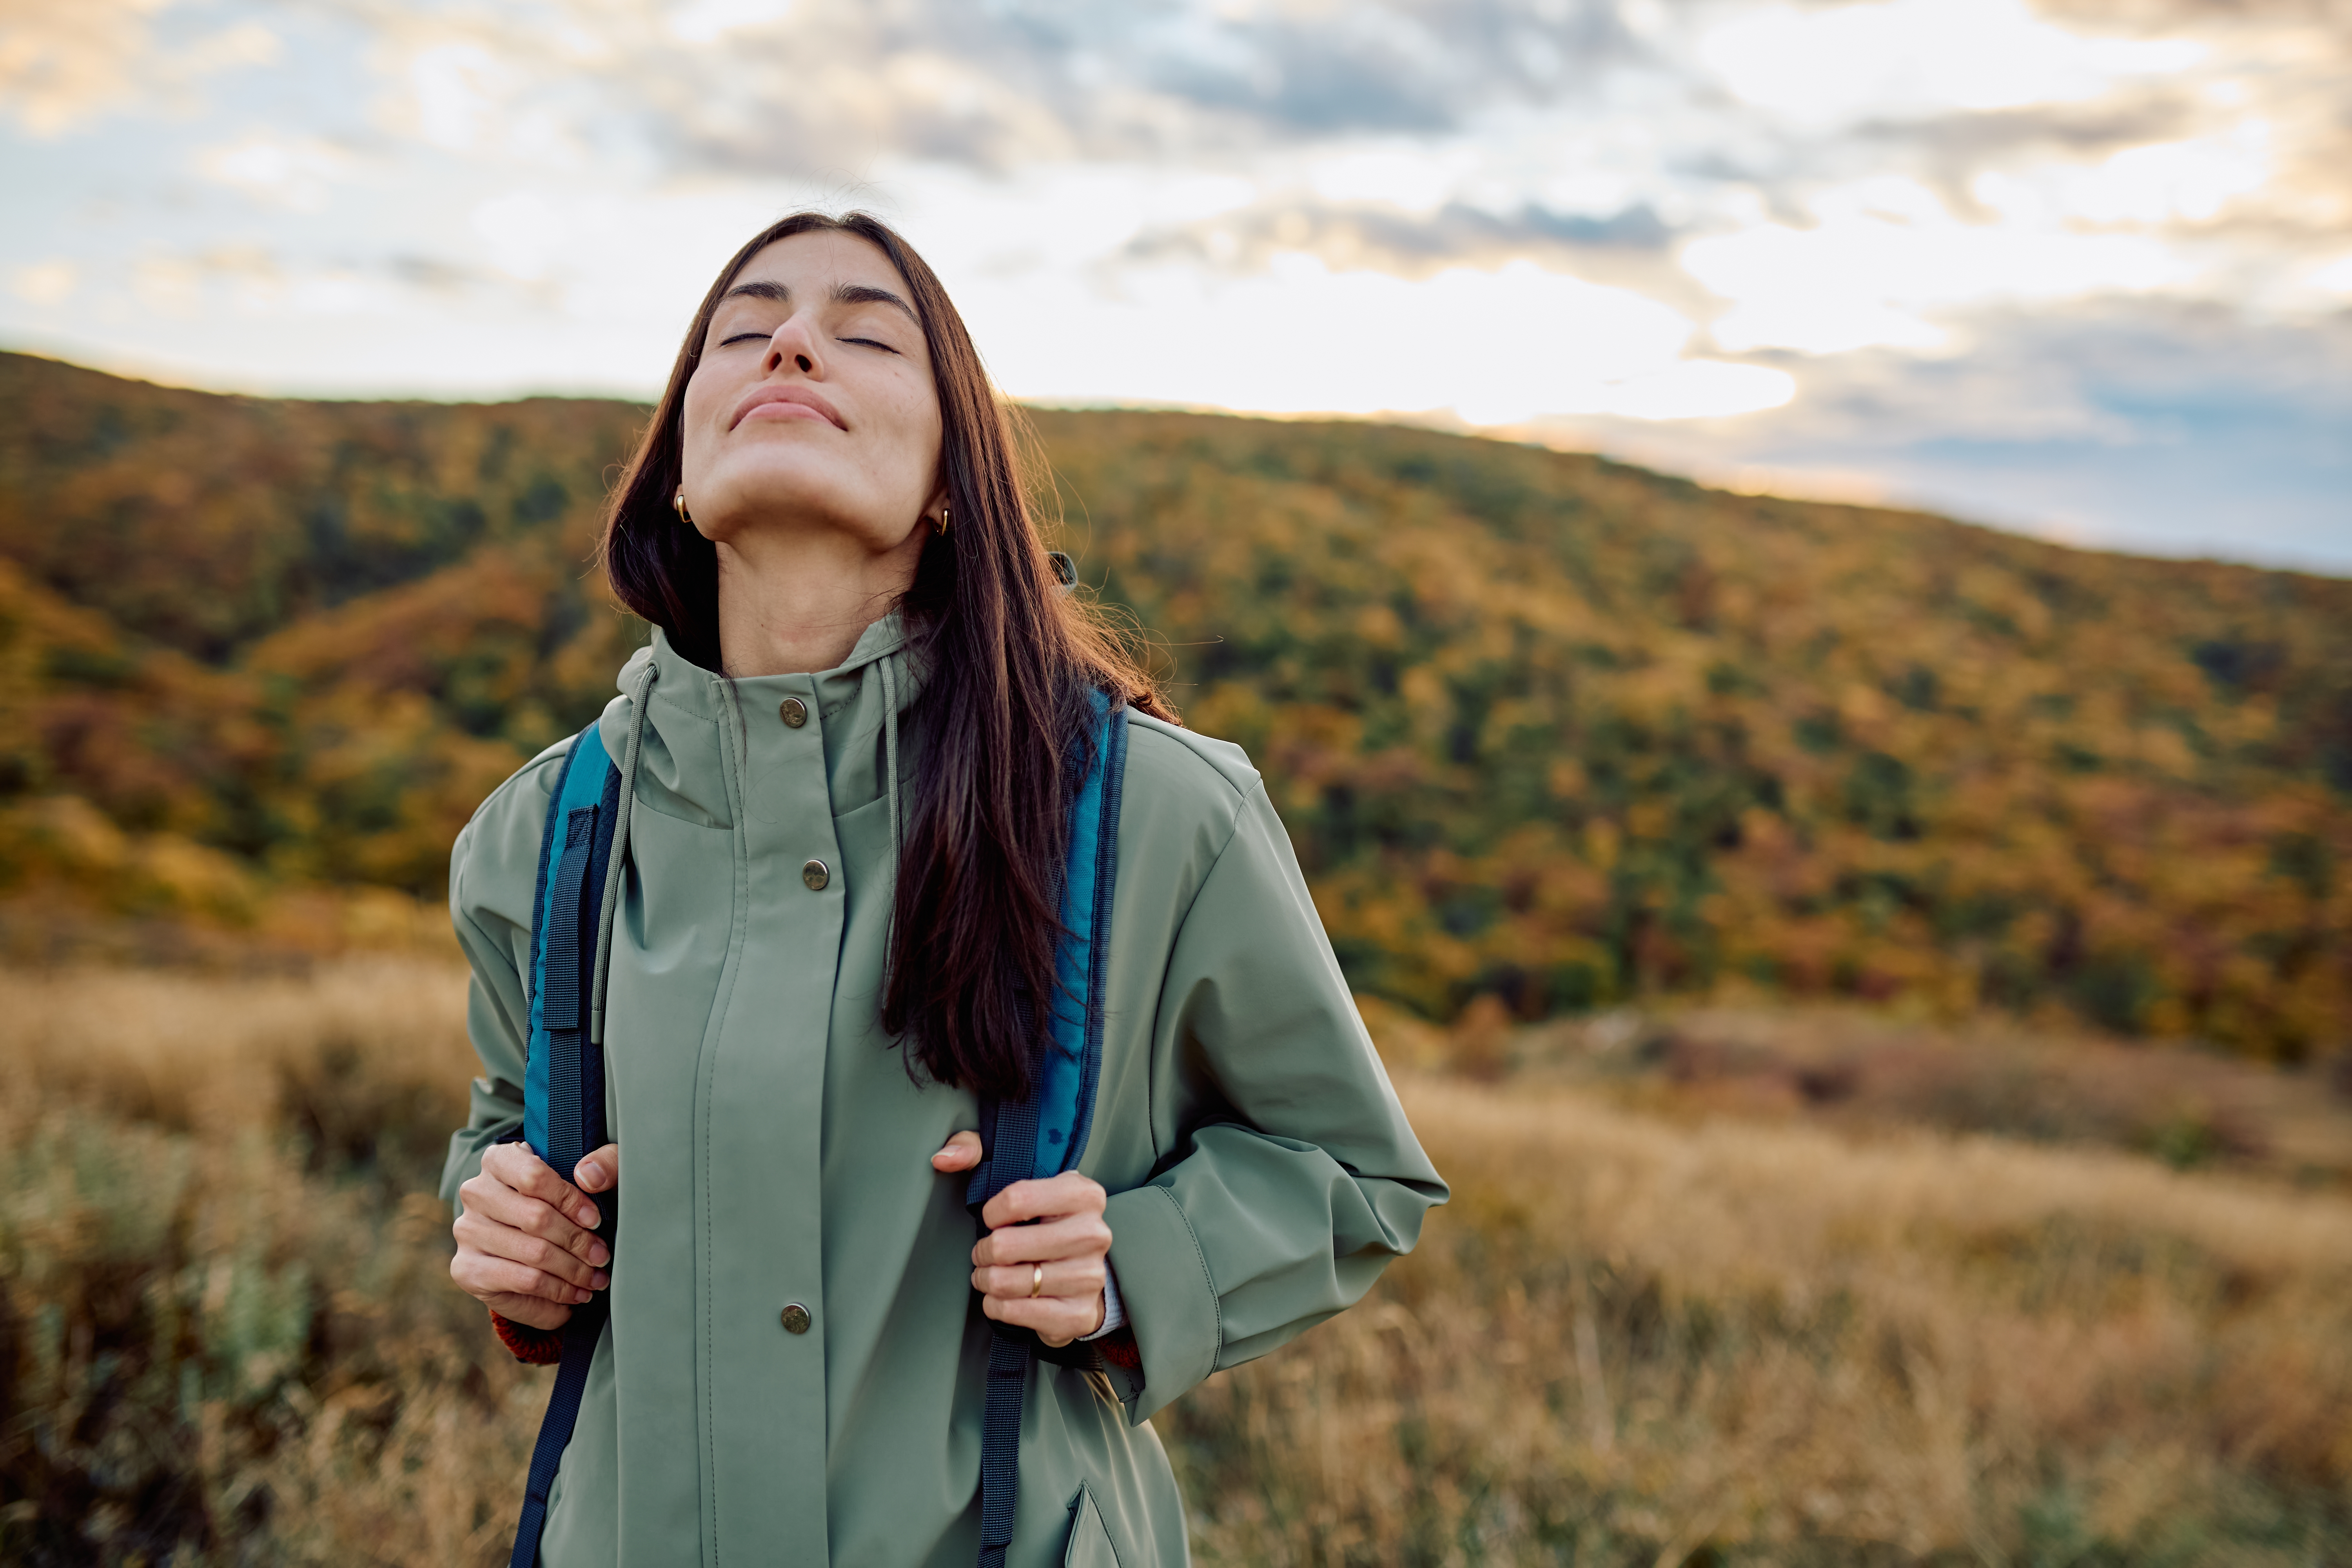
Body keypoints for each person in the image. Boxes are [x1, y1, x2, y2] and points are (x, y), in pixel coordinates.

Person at [439, 210, 1446, 1568]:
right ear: (679, 467)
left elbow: (1352, 1172)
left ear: (948, 487)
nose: (790, 344)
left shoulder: (1158, 810)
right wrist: (508, 1224)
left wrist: (1132, 1266)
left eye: (864, 335)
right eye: (743, 332)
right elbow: (507, 1120)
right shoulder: (541, 832)